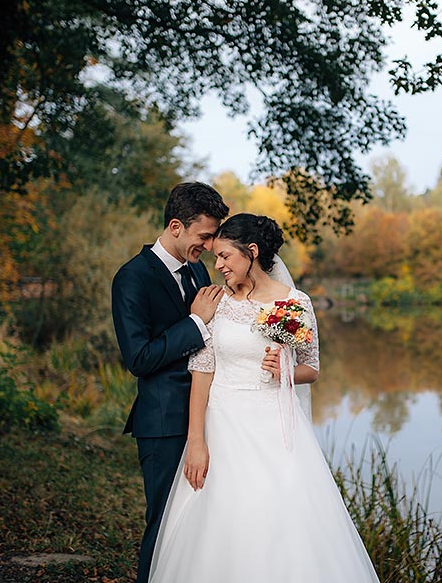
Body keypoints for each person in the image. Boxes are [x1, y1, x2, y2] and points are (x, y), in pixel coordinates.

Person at [147, 214, 380, 583]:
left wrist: (283, 370)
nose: (218, 265)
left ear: (251, 252)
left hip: (273, 430)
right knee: (217, 523)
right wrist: (196, 440)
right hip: (221, 425)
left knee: (275, 521)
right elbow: (202, 370)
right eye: (216, 257)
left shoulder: (292, 303)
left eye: (225, 256)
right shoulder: (214, 301)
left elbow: (311, 369)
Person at [111, 182, 229, 583]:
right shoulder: (131, 278)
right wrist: (195, 322)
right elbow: (139, 359)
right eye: (205, 236)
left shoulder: (196, 268)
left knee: (200, 528)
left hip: (209, 419)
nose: (211, 246)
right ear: (176, 226)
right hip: (162, 425)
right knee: (164, 528)